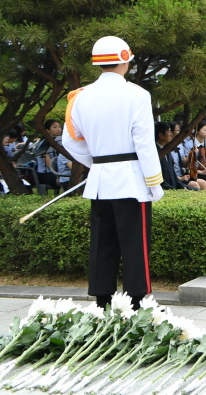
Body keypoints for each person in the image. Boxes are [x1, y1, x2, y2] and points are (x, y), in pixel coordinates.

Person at [61, 36, 164, 310]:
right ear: (126, 60)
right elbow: (144, 142)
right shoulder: (138, 95)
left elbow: (71, 140)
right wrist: (154, 181)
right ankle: (136, 304)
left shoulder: (80, 96)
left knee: (102, 244)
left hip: (99, 180)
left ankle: (102, 302)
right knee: (134, 244)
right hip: (131, 179)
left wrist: (98, 161)